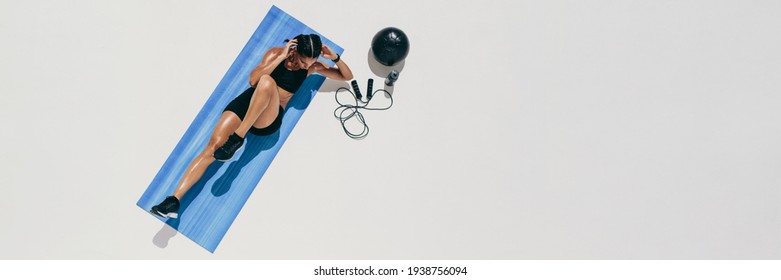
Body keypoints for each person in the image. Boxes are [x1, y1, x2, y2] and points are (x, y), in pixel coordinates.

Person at [151, 34, 353, 218]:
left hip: (268, 118)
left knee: (267, 83)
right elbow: (252, 80)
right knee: (212, 148)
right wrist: (280, 57)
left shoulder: (312, 67)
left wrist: (334, 58)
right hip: (247, 103)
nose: (303, 65)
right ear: (294, 50)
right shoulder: (275, 54)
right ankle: (174, 201)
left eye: (309, 62)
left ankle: (237, 138)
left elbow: (346, 76)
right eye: (301, 60)